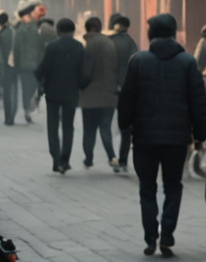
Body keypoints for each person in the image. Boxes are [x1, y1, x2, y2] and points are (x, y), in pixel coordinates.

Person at [119, 14, 206, 257]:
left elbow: (126, 98)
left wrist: (125, 126)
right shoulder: (187, 62)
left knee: (147, 187)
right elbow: (198, 102)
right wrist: (200, 135)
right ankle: (167, 233)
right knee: (173, 185)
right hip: (177, 138)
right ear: (174, 34)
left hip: (144, 136)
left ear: (151, 35)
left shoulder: (138, 61)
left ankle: (151, 236)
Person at [36, 18, 86, 174]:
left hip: (53, 93)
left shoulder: (52, 46)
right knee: (68, 126)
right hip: (71, 92)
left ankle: (56, 159)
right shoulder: (79, 47)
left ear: (57, 31)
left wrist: (42, 82)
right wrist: (80, 86)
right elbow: (83, 71)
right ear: (73, 31)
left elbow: (42, 69)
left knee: (52, 126)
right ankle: (65, 160)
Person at [78, 16, 120, 170]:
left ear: (88, 28)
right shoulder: (109, 43)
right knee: (105, 128)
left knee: (89, 130)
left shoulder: (87, 45)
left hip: (89, 95)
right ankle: (112, 157)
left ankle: (88, 159)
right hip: (108, 93)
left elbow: (83, 71)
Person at [108, 14, 138, 174]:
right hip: (127, 88)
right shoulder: (131, 42)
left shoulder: (110, 41)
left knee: (105, 125)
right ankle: (123, 159)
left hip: (108, 88)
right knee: (126, 128)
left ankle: (110, 156)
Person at [8, 4, 44, 126]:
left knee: (26, 89)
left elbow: (17, 49)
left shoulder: (20, 30)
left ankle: (27, 109)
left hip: (25, 66)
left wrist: (17, 65)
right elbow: (40, 49)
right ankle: (28, 109)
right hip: (33, 66)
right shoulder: (36, 29)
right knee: (31, 89)